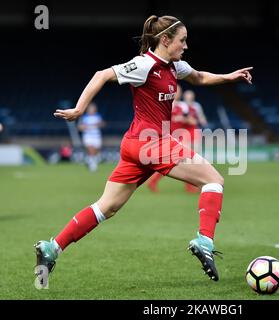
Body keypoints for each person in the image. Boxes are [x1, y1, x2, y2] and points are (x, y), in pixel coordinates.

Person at [34, 15, 253, 283]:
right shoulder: (143, 65)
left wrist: (229, 77)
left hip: (135, 146)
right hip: (152, 142)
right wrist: (80, 109)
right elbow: (101, 75)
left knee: (107, 207)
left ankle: (51, 248)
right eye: (182, 40)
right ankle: (204, 241)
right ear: (165, 40)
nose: (186, 46)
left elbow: (199, 77)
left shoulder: (175, 66)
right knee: (214, 181)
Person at [78, 102, 105, 171]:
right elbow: (80, 127)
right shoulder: (84, 117)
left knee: (95, 151)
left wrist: (99, 124)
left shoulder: (98, 116)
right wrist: (86, 127)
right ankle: (93, 165)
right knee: (91, 150)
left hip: (96, 136)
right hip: (88, 136)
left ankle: (89, 160)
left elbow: (103, 124)